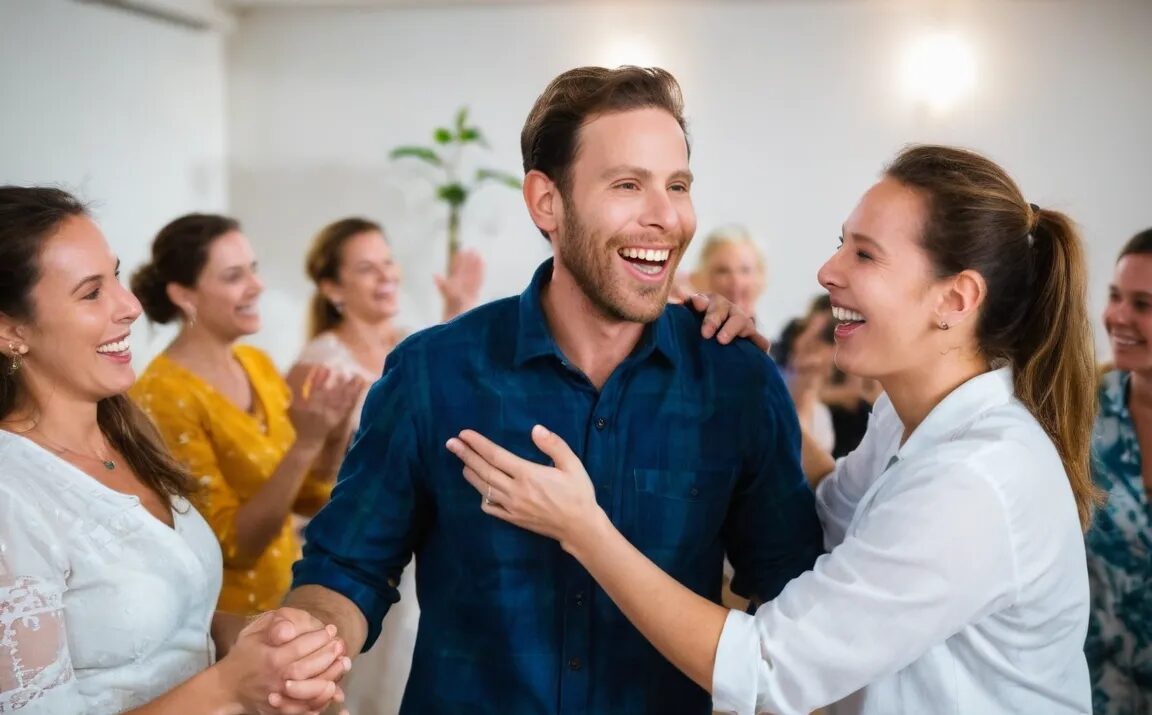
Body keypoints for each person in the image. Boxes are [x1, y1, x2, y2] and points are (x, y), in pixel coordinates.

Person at [449, 144, 1098, 715]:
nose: (827, 271)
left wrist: (584, 529)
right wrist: (753, 383)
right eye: (841, 240)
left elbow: (767, 667)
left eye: (864, 254)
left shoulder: (977, 481)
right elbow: (831, 515)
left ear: (954, 300)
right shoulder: (908, 418)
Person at [282, 65, 823, 715]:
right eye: (628, 185)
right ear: (546, 201)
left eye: (677, 186)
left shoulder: (737, 381)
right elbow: (344, 569)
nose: (666, 217)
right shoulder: (432, 374)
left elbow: (790, 596)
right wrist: (304, 642)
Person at [0, 186, 349, 714]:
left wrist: (267, 640)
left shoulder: (126, 432)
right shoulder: (12, 495)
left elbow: (175, 624)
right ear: (10, 329)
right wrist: (230, 687)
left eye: (116, 276)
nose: (131, 306)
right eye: (91, 293)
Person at [287, 217, 484, 715]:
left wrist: (459, 312)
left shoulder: (414, 343)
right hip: (366, 546)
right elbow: (306, 489)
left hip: (433, 538)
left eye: (389, 263)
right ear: (333, 288)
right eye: (367, 269)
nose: (386, 277)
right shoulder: (317, 365)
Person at [130, 214, 362, 616]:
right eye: (234, 276)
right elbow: (231, 546)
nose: (258, 286)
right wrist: (306, 442)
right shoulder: (160, 395)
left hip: (289, 597)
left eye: (253, 270)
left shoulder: (256, 363)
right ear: (185, 296)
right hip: (224, 625)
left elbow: (305, 500)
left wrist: (333, 432)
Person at [1085, 227, 1152, 715]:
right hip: (1091, 690)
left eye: (1143, 304)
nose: (1118, 318)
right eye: (1115, 297)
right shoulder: (1081, 411)